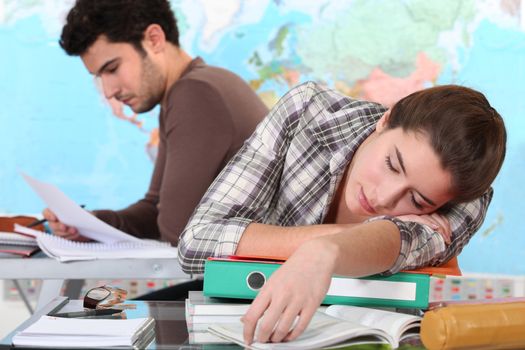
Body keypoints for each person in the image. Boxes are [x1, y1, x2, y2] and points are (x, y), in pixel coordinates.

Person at [178, 81, 506, 344]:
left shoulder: (466, 199)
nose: (384, 198)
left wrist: (324, 252)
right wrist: (321, 248)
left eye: (417, 202)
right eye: (392, 164)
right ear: (386, 120)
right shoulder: (306, 111)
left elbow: (400, 242)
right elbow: (196, 242)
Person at [43, 0, 268, 298]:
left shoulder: (196, 94)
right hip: (240, 287)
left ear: (154, 39)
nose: (109, 90)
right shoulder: (189, 90)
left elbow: (176, 233)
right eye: (99, 77)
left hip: (248, 292)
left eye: (112, 68)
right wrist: (88, 225)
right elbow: (155, 209)